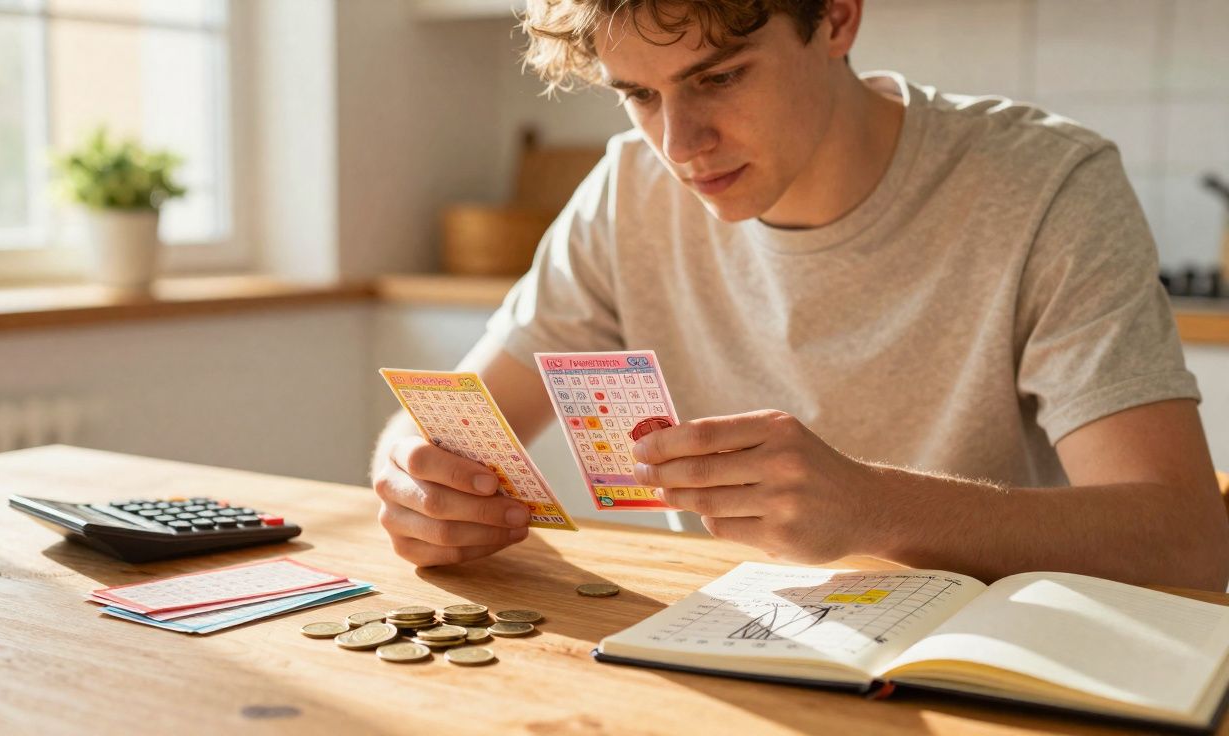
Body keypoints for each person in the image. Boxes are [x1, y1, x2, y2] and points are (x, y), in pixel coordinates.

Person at [370, 0, 1229, 590]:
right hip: (736, 646)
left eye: (719, 77)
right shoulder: (627, 189)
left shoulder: (1049, 185)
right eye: (638, 94)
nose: (680, 144)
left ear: (837, 18)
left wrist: (872, 509)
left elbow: (1185, 541)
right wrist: (414, 478)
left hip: (981, 670)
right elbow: (449, 424)